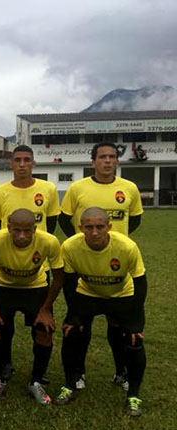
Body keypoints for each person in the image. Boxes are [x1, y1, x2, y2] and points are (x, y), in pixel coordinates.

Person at [58, 142, 144, 391]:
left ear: (117, 161)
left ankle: (122, 372)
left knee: (118, 324)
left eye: (112, 156)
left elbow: (135, 219)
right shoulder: (78, 188)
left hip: (116, 263)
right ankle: (79, 373)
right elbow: (64, 218)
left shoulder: (129, 188)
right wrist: (80, 240)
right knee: (80, 323)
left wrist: (119, 240)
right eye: (102, 157)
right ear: (93, 161)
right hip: (87, 264)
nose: (107, 161)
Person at [54, 207, 147, 417]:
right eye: (89, 227)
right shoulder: (69, 246)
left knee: (134, 339)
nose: (94, 232)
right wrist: (73, 315)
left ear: (109, 227)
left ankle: (133, 395)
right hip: (89, 293)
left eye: (99, 227)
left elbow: (141, 284)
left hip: (122, 294)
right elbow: (69, 283)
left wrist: (136, 321)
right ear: (80, 228)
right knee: (71, 332)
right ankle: (70, 384)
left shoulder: (127, 247)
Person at [0, 145, 60, 378]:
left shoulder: (48, 189)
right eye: (17, 160)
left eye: (26, 160)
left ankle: (39, 373)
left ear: (33, 163)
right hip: (6, 268)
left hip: (37, 267)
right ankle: (5, 364)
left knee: (40, 324)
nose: (21, 164)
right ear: (11, 163)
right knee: (3, 325)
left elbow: (53, 222)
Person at [0, 209, 64, 404]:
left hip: (34, 288)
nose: (22, 235)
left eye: (27, 231)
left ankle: (36, 381)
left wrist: (45, 310)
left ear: (34, 229)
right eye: (17, 230)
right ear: (8, 227)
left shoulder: (49, 241)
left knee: (45, 330)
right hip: (4, 287)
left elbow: (60, 277)